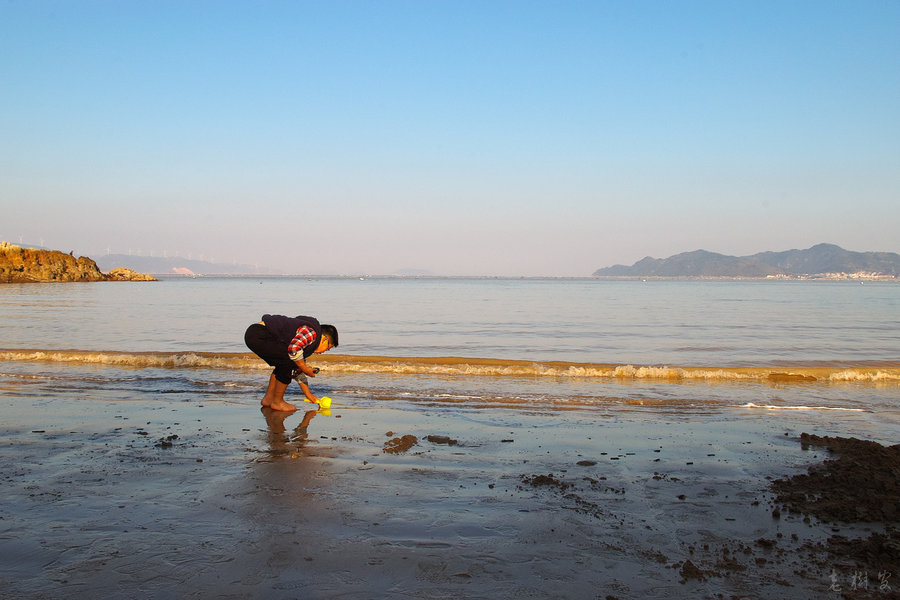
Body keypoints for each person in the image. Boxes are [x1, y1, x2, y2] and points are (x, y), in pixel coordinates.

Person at [244, 314, 339, 412]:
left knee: (286, 364)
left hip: (255, 334)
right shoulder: (311, 333)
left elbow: (298, 369)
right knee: (289, 363)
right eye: (328, 347)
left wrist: (308, 395)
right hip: (260, 334)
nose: (324, 352)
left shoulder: (306, 340)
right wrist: (305, 368)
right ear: (324, 339)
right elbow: (294, 350)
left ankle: (269, 399)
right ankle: (277, 402)